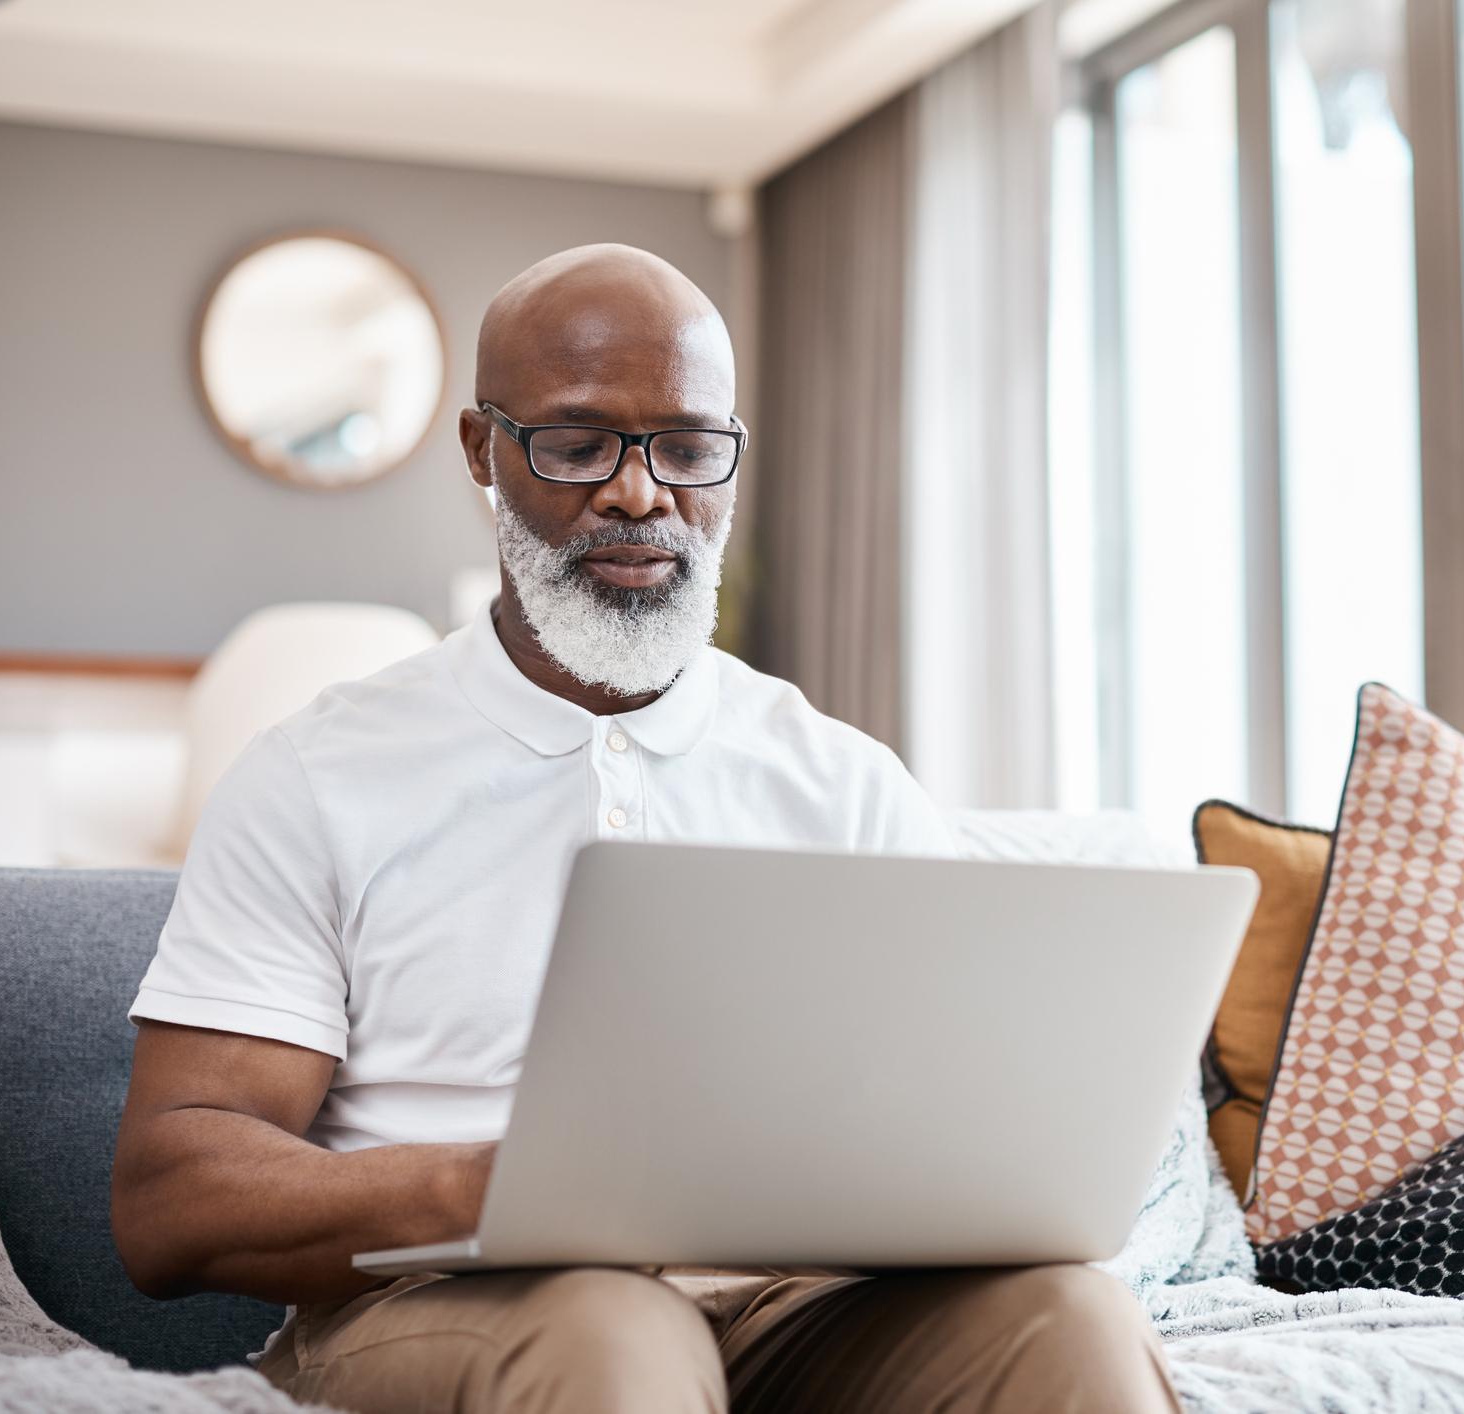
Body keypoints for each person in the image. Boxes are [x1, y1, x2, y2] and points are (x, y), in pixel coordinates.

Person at [111, 244, 1180, 1414]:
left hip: (794, 1307)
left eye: (686, 446)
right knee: (609, 1328)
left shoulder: (842, 780)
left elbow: (966, 1118)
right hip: (447, 1303)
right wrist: (502, 1190)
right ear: (483, 450)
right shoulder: (318, 776)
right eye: (578, 444)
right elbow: (173, 1199)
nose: (639, 492)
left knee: (1068, 1318)